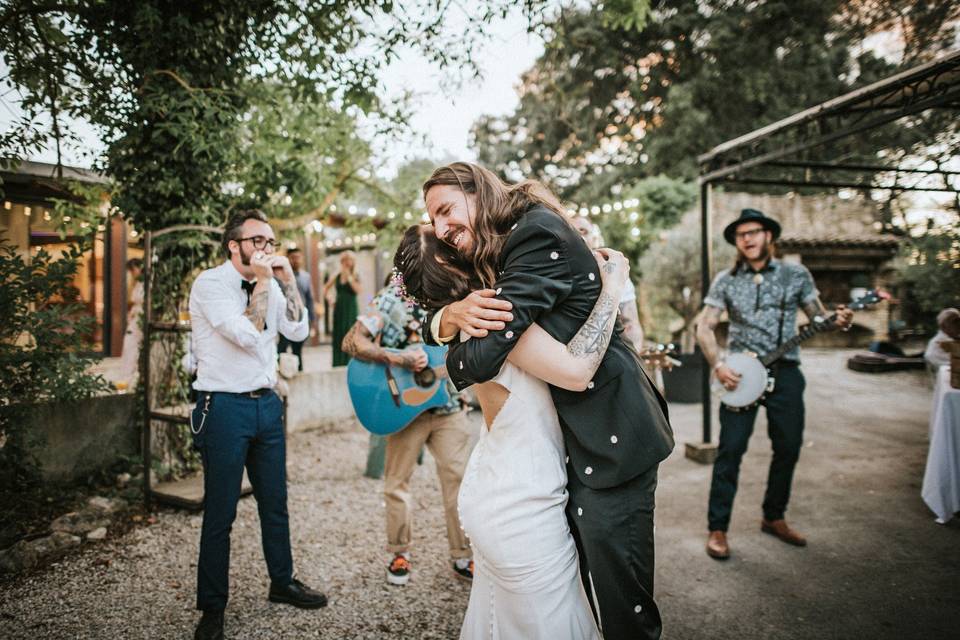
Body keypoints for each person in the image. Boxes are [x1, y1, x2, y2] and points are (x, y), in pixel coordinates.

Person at [420, 162, 674, 640]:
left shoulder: (533, 233)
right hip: (571, 449)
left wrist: (452, 343)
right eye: (433, 220)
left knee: (625, 607)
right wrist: (446, 317)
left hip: (613, 438)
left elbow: (482, 355)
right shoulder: (501, 248)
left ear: (478, 190)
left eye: (446, 210)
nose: (441, 227)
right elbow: (443, 317)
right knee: (576, 595)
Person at [396, 224, 633, 639]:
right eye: (450, 238)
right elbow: (577, 371)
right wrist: (614, 287)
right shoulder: (493, 320)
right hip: (521, 509)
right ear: (452, 263)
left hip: (504, 491)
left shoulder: (473, 318)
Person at [188, 209, 327, 640]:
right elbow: (249, 333)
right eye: (258, 241)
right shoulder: (210, 285)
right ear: (235, 245)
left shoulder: (272, 281)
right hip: (223, 408)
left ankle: (281, 582)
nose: (267, 248)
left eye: (271, 241)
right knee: (220, 513)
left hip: (267, 405)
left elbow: (299, 330)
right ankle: (212, 609)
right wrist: (266, 283)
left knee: (275, 503)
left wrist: (286, 282)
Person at [694, 208, 854, 561]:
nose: (747, 238)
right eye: (741, 234)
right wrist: (718, 364)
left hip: (786, 372)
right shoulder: (726, 280)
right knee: (730, 451)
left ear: (770, 236)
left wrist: (837, 320)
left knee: (789, 447)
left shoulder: (795, 275)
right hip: (740, 373)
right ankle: (717, 528)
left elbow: (819, 318)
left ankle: (773, 516)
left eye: (754, 232)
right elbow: (704, 325)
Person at [340, 272, 474, 587]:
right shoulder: (391, 297)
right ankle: (399, 552)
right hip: (403, 409)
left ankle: (463, 555)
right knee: (396, 484)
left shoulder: (456, 294)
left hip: (449, 406)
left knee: (461, 483)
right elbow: (352, 341)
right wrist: (394, 357)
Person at [570, 216, 645, 351]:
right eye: (573, 232)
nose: (580, 237)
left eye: (584, 231)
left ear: (594, 238)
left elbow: (631, 323)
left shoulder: (616, 272)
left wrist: (636, 360)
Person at [277, 247, 315, 372]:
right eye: (293, 258)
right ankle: (280, 373)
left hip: (300, 319)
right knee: (282, 348)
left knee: (298, 350)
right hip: (284, 319)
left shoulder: (306, 277)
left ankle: (298, 373)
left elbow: (310, 299)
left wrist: (311, 320)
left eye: (298, 257)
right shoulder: (279, 277)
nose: (296, 260)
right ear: (288, 259)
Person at [324, 250, 360, 367]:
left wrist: (349, 276)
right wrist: (330, 300)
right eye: (344, 260)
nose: (346, 263)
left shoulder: (355, 275)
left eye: (349, 260)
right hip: (339, 309)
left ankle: (351, 361)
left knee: (350, 333)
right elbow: (325, 289)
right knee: (339, 334)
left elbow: (358, 290)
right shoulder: (337, 275)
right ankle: (338, 362)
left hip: (351, 309)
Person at [117, 258, 144, 386]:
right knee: (129, 345)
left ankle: (127, 376)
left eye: (132, 270)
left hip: (140, 319)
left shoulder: (145, 284)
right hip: (135, 319)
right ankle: (126, 376)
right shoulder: (138, 283)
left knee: (131, 345)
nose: (132, 273)